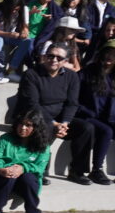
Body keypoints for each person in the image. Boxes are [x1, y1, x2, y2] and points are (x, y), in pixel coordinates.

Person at [16, 43, 92, 184]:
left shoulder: (71, 77)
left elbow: (72, 103)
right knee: (46, 126)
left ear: (65, 61)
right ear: (45, 57)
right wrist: (54, 123)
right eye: (50, 56)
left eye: (59, 57)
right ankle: (40, 169)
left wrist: (64, 123)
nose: (54, 60)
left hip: (59, 119)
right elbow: (33, 104)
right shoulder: (31, 74)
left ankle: (77, 171)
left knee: (86, 128)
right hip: (33, 115)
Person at [0, 107, 51, 213]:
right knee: (9, 175)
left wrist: (23, 168)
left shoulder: (43, 145)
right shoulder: (5, 139)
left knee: (28, 178)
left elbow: (40, 168)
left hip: (26, 184)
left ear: (36, 127)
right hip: (3, 179)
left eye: (28, 125)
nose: (23, 128)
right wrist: (1, 170)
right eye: (21, 124)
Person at [75, 41, 115, 185]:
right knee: (106, 131)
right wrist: (84, 110)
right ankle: (96, 170)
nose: (110, 57)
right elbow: (73, 98)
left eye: (114, 54)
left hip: (108, 117)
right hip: (87, 115)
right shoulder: (87, 72)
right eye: (107, 53)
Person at [0, 0, 32, 80]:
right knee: (0, 43)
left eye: (16, 9)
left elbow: (25, 26)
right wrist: (9, 34)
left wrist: (24, 31)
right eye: (12, 8)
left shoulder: (24, 9)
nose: (14, 11)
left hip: (10, 35)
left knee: (27, 41)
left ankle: (12, 68)